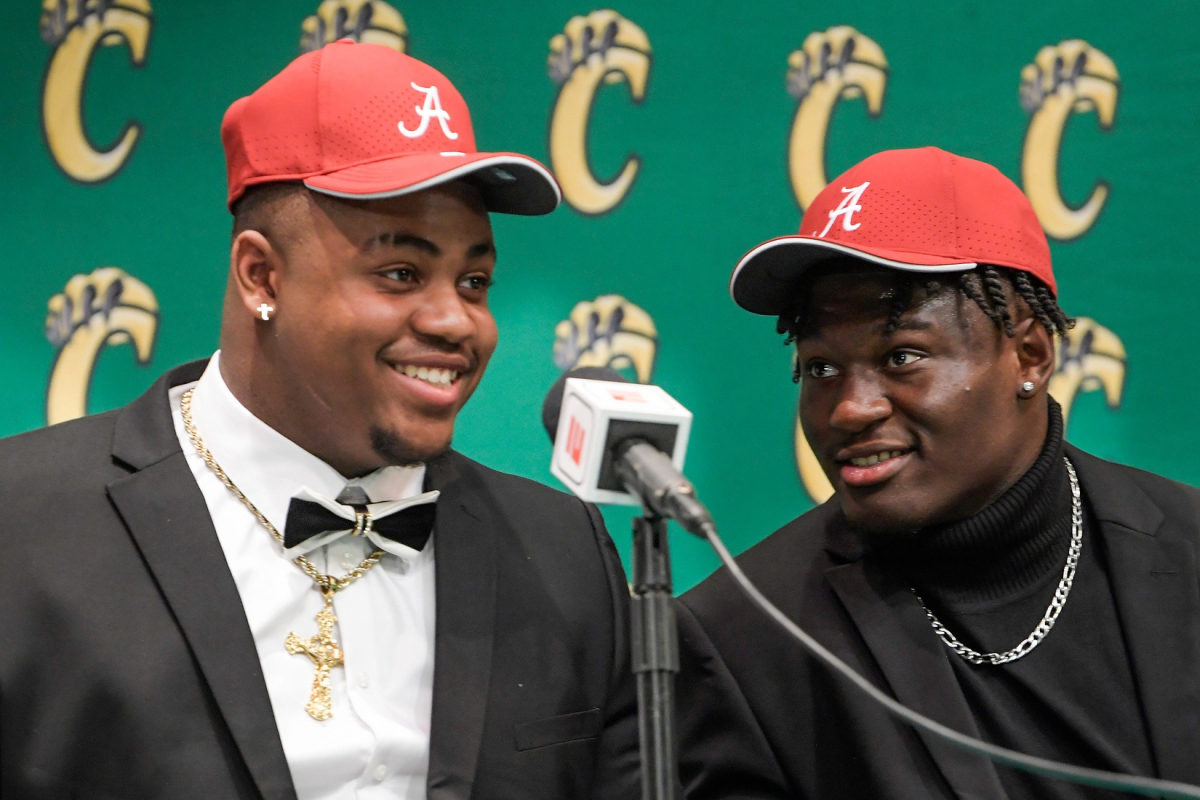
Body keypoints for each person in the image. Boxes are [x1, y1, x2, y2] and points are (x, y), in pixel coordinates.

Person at [0, 41, 638, 800]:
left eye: (474, 280)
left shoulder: (563, 553)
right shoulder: (22, 524)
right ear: (261, 275)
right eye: (401, 273)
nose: (455, 321)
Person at [675, 147, 1200, 799]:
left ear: (1029, 355)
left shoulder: (1187, 546)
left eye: (902, 356)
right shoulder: (741, 637)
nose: (850, 408)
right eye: (821, 368)